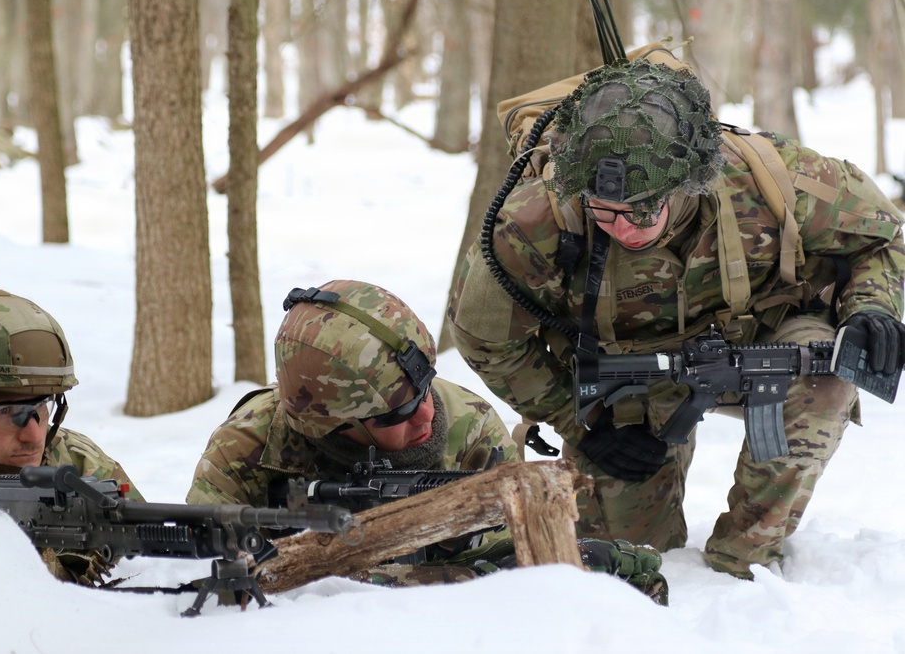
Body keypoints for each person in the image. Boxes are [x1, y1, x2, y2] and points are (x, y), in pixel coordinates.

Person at [448, 58, 905, 580]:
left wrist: (873, 305)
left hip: (764, 344)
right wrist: (581, 422)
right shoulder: (536, 222)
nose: (624, 228)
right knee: (623, 562)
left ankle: (746, 562)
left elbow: (885, 236)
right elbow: (483, 338)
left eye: (643, 210)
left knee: (822, 377)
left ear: (689, 182)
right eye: (605, 211)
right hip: (625, 383)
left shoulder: (777, 180)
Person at [187, 279, 667, 600]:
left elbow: (514, 586)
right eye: (397, 413)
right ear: (330, 426)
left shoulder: (471, 429)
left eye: (426, 387)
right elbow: (212, 588)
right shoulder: (247, 450)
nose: (427, 414)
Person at [0, 286, 144, 583]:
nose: (34, 435)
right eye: (6, 411)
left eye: (42, 406)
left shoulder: (74, 460)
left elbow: (145, 560)